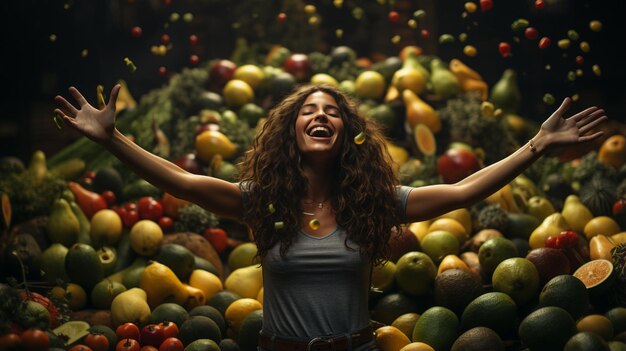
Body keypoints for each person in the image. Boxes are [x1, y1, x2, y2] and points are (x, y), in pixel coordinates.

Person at [55, 83, 607, 351]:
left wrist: (537, 145)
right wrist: (113, 138)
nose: (320, 116)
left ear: (348, 133)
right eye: (308, 111)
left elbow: (462, 191)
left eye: (332, 112)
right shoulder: (258, 201)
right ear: (290, 130)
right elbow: (178, 180)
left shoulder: (374, 202)